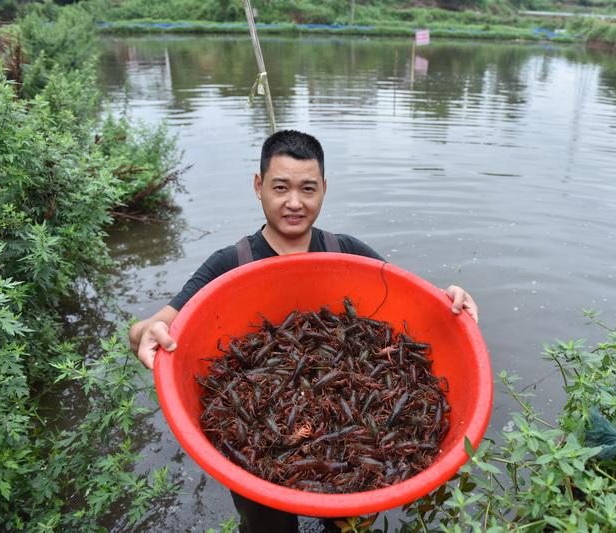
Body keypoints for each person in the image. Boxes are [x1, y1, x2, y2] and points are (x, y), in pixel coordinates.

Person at [129, 129, 479, 532]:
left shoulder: (347, 252)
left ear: (324, 189)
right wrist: (146, 332)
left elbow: (414, 298)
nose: (294, 202)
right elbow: (148, 328)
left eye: (307, 188)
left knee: (345, 521)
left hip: (348, 450)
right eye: (280, 187)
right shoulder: (228, 264)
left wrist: (449, 296)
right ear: (258, 186)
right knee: (265, 526)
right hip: (255, 468)